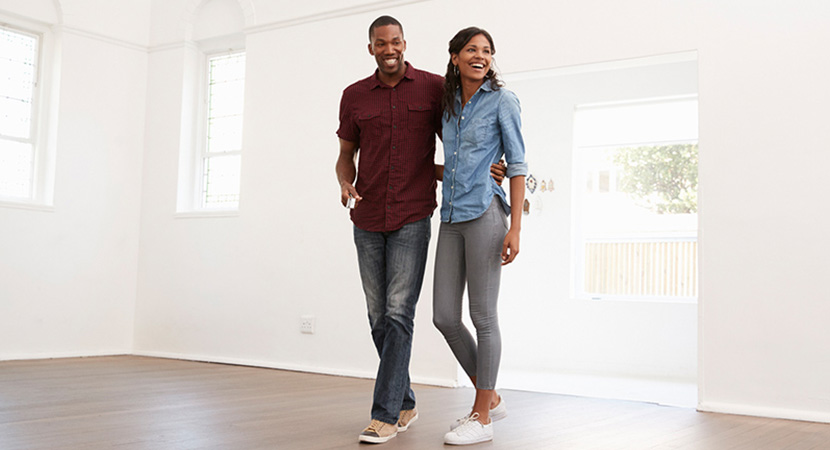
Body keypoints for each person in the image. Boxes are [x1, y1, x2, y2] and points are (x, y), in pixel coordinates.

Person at [335, 16, 506, 444]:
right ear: (370, 48)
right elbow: (345, 154)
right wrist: (343, 180)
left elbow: (459, 136)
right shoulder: (353, 96)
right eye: (380, 43)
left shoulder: (432, 89)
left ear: (404, 44)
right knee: (379, 318)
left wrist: (481, 170)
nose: (389, 48)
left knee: (399, 313)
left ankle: (386, 414)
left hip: (413, 214)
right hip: (367, 216)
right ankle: (406, 400)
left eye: (395, 41)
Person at [432, 27, 527, 446]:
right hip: (451, 216)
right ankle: (491, 396)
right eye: (471, 49)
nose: (480, 56)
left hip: (487, 215)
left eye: (486, 51)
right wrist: (462, 170)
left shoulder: (502, 101)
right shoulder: (448, 105)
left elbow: (519, 164)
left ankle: (482, 415)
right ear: (454, 57)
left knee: (483, 316)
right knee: (444, 317)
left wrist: (515, 228)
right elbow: (449, 161)